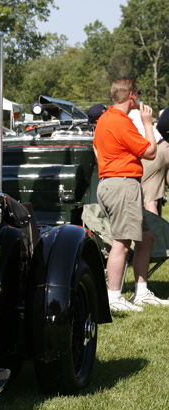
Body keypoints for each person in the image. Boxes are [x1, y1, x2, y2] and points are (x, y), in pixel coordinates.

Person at [94, 77, 167, 310]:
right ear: (132, 96)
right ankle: (113, 296)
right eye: (138, 92)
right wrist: (148, 123)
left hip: (115, 184)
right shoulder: (120, 122)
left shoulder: (105, 119)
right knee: (122, 243)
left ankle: (141, 292)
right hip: (122, 185)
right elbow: (150, 151)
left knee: (146, 239)